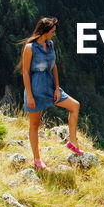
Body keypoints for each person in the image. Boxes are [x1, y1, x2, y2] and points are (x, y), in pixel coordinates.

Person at [18, 16, 83, 170]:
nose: (54, 34)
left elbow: (54, 66)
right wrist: (30, 96)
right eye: (52, 31)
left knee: (75, 106)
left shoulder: (50, 45)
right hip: (35, 89)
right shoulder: (30, 48)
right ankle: (37, 159)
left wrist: (57, 88)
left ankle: (72, 142)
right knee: (34, 124)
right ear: (44, 31)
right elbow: (25, 72)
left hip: (50, 86)